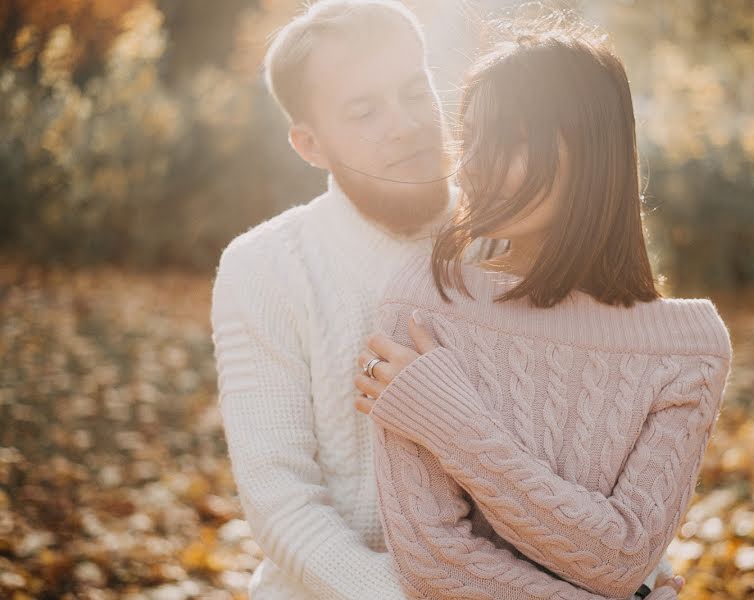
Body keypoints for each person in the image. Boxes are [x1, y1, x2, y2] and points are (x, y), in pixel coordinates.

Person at [209, 1, 681, 598]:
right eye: (363, 111)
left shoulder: (523, 229)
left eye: (414, 90)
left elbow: (601, 446)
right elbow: (282, 500)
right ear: (310, 144)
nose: (404, 123)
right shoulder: (265, 268)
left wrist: (638, 577)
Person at [352, 20, 729, 600]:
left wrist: (452, 423)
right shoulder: (424, 305)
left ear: (593, 151)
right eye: (473, 137)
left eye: (514, 139)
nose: (476, 164)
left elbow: (622, 558)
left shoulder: (688, 349)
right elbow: (433, 560)